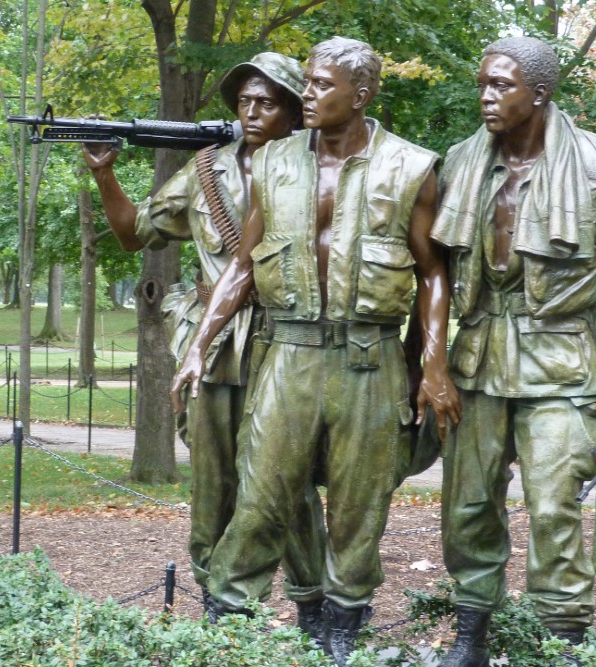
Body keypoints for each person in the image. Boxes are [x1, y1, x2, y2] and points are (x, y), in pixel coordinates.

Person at [171, 36, 461, 665]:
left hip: (370, 358)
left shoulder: (410, 167)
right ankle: (225, 622)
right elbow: (242, 267)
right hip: (290, 352)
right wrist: (200, 343)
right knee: (262, 495)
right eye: (305, 81)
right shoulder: (272, 163)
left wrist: (432, 363)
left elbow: (435, 274)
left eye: (321, 85)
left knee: (360, 507)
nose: (306, 94)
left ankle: (341, 633)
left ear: (360, 95)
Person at [430, 36, 596, 666]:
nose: (486, 96)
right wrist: (429, 364)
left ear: (538, 93)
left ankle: (561, 643)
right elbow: (431, 273)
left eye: (501, 86)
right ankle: (470, 640)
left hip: (559, 360)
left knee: (553, 507)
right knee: (467, 506)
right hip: (478, 356)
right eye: (482, 84)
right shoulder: (459, 162)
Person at [80, 53, 328, 637]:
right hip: (216, 348)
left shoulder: (321, 167)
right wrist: (104, 174)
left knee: (285, 481)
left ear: (296, 110)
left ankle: (316, 605)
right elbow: (132, 233)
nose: (252, 111)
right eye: (244, 100)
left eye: (268, 101)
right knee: (214, 479)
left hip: (286, 339)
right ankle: (218, 610)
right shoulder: (206, 172)